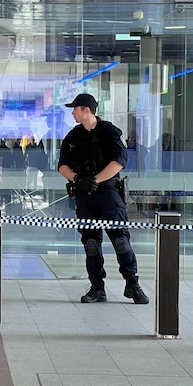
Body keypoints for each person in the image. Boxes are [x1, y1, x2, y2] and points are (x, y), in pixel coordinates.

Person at [57, 93, 149, 305]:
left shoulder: (109, 132)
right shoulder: (73, 137)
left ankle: (132, 283)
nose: (72, 112)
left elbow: (119, 161)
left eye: (75, 109)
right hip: (84, 196)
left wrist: (96, 180)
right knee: (91, 243)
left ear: (86, 110)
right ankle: (97, 287)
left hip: (108, 194)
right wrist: (78, 179)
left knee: (120, 241)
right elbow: (62, 165)